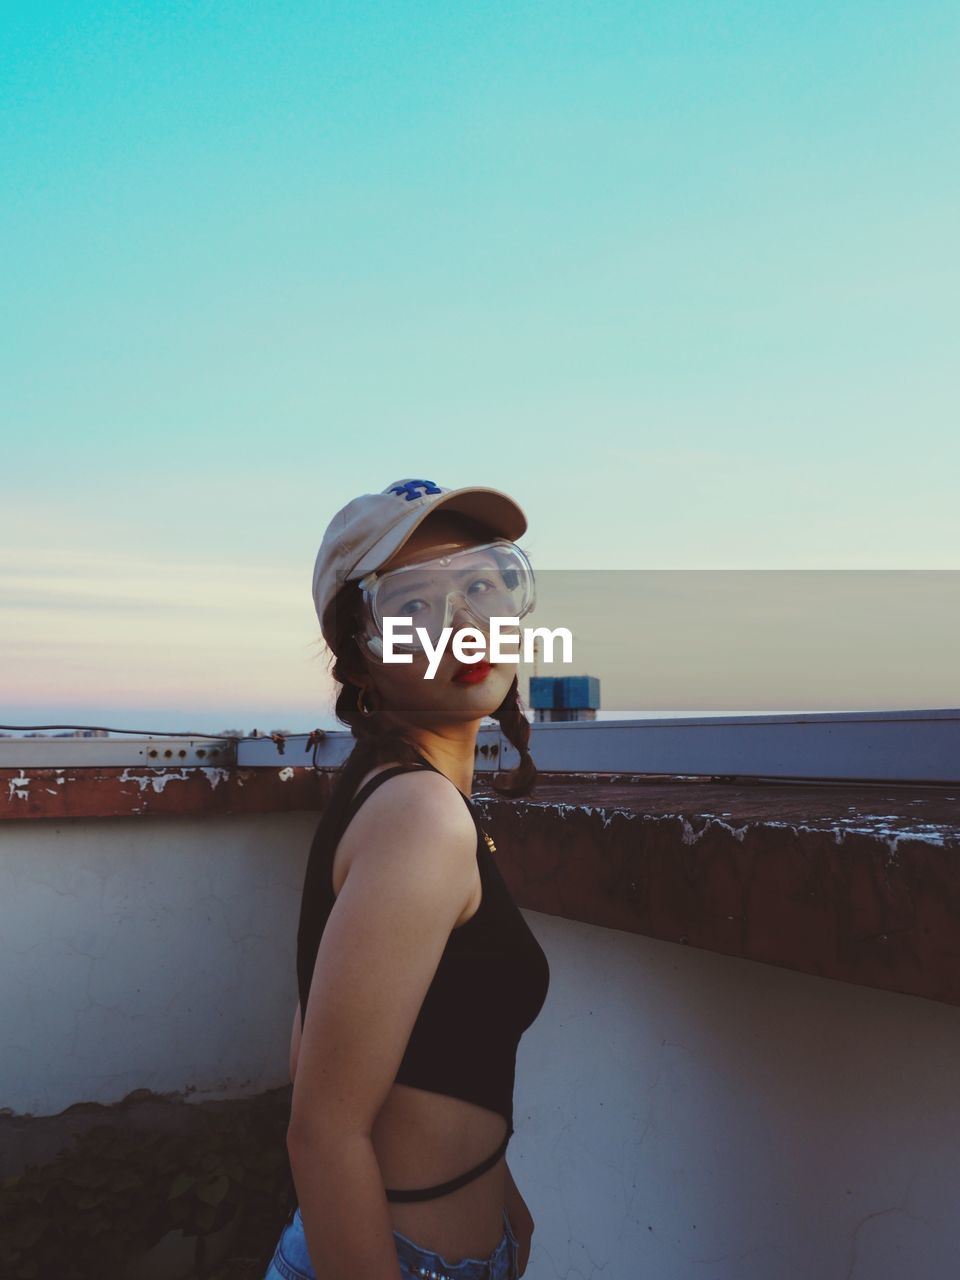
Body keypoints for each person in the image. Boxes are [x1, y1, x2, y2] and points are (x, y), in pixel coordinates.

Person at [263, 478, 551, 1280]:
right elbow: (320, 1130)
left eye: (485, 582)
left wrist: (502, 1196)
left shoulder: (381, 789)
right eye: (415, 605)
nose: (462, 626)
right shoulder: (421, 818)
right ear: (362, 656)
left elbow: (320, 1052)